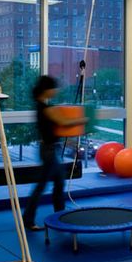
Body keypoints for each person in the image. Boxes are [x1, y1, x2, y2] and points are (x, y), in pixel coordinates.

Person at [23, 75, 87, 231]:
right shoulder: (45, 108)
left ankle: (59, 215)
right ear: (47, 90)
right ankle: (29, 219)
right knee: (43, 186)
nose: (56, 91)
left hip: (49, 149)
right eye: (54, 88)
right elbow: (64, 122)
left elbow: (54, 128)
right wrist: (83, 120)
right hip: (49, 151)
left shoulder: (42, 106)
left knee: (58, 183)